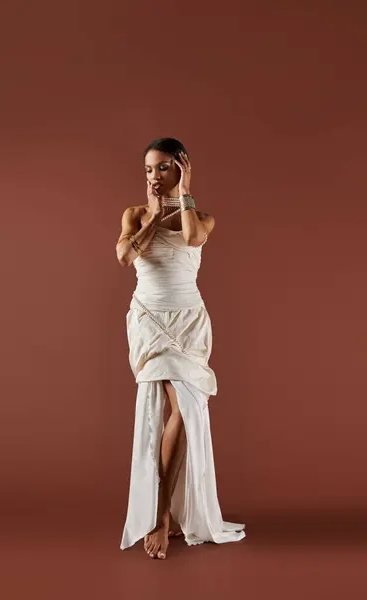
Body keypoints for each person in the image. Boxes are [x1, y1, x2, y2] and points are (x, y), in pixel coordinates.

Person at [116, 137, 246, 560]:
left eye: (165, 168)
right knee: (177, 408)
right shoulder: (134, 215)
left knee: (186, 412)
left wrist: (184, 193)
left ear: (181, 170)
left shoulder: (202, 216)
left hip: (189, 322)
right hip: (151, 320)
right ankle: (160, 518)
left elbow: (192, 240)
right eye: (149, 170)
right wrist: (152, 218)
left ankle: (168, 511)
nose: (155, 177)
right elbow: (123, 257)